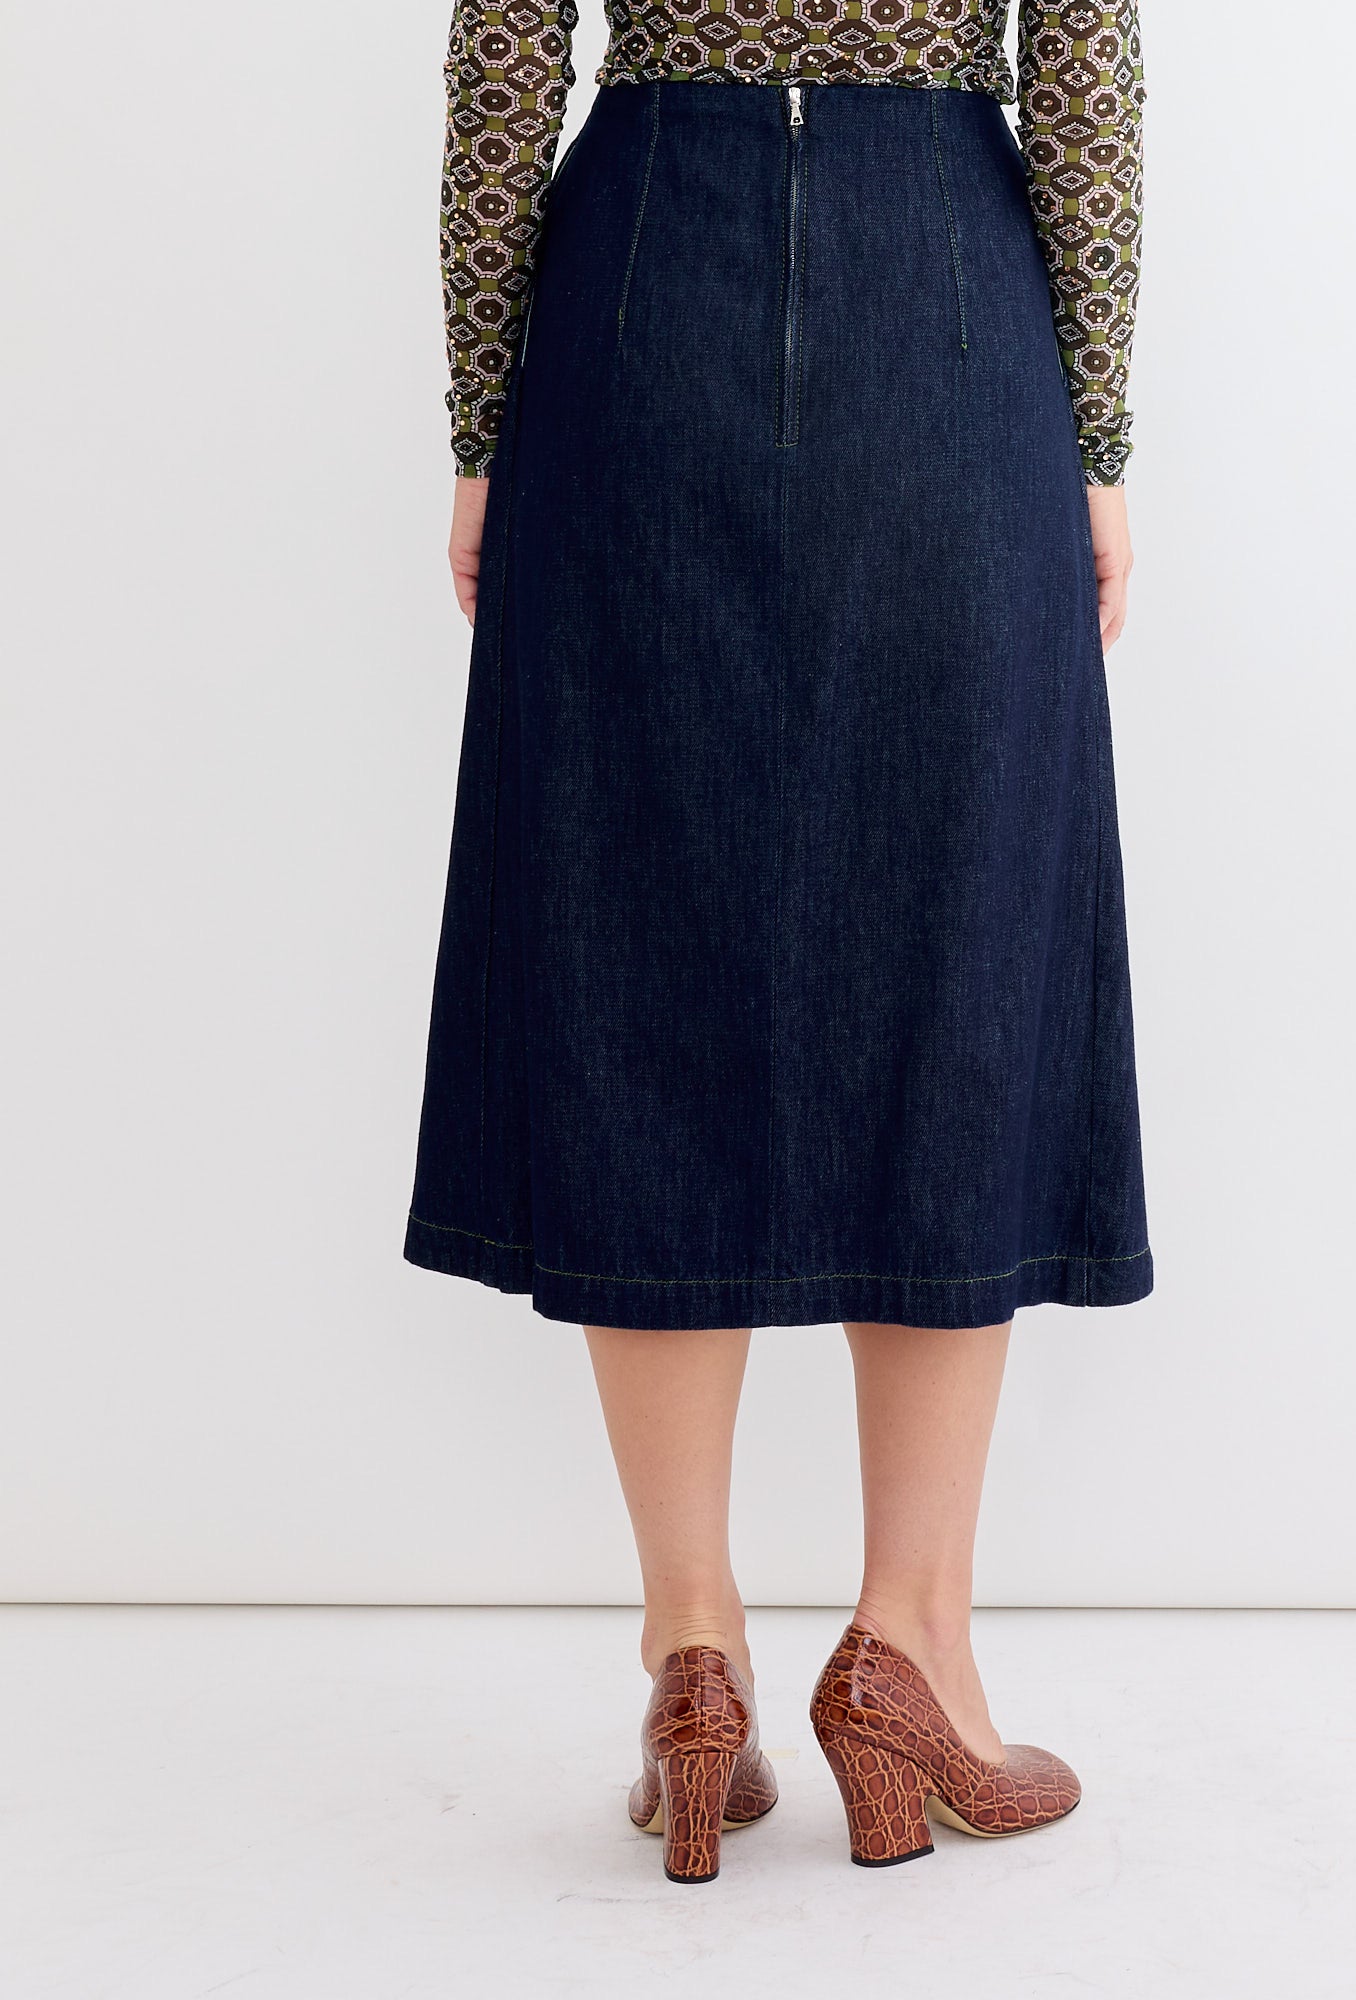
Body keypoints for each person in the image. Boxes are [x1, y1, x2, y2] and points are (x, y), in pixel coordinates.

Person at [405, 0, 1151, 1881]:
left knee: (636, 941)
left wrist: (484, 425)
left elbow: (503, 67)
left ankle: (693, 1656)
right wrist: (1098, 435)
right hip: (947, 297)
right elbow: (1083, 73)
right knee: (953, 945)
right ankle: (915, 1652)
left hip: (641, 285)